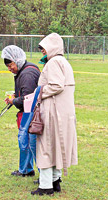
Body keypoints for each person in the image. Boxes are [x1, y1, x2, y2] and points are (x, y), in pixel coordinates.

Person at [31, 33, 78, 196]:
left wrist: (39, 93)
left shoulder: (53, 63)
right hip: (63, 112)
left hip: (53, 112)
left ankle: (45, 186)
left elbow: (56, 85)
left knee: (45, 147)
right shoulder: (64, 62)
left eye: (44, 49)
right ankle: (55, 180)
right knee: (57, 145)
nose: (43, 52)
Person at [2, 45, 40, 177]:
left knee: (27, 142)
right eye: (7, 66)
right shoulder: (25, 70)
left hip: (30, 113)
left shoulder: (27, 74)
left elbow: (27, 99)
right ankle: (26, 169)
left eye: (10, 65)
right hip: (29, 112)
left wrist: (14, 101)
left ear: (16, 60)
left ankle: (31, 172)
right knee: (27, 143)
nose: (9, 69)